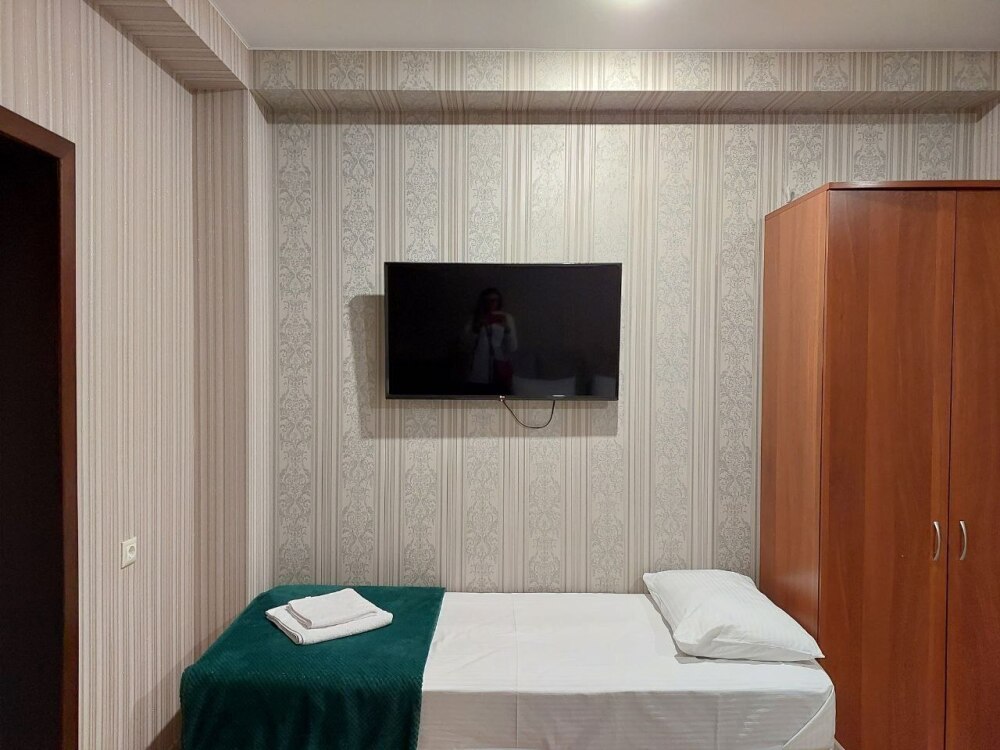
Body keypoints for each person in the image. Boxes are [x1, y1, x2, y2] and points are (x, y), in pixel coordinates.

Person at [462, 287, 517, 392]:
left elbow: (512, 347)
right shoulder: (474, 318)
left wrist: (507, 330)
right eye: (487, 300)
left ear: (499, 301)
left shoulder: (507, 318)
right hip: (477, 369)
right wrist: (476, 329)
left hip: (499, 367)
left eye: (494, 300)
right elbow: (465, 345)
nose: (491, 303)